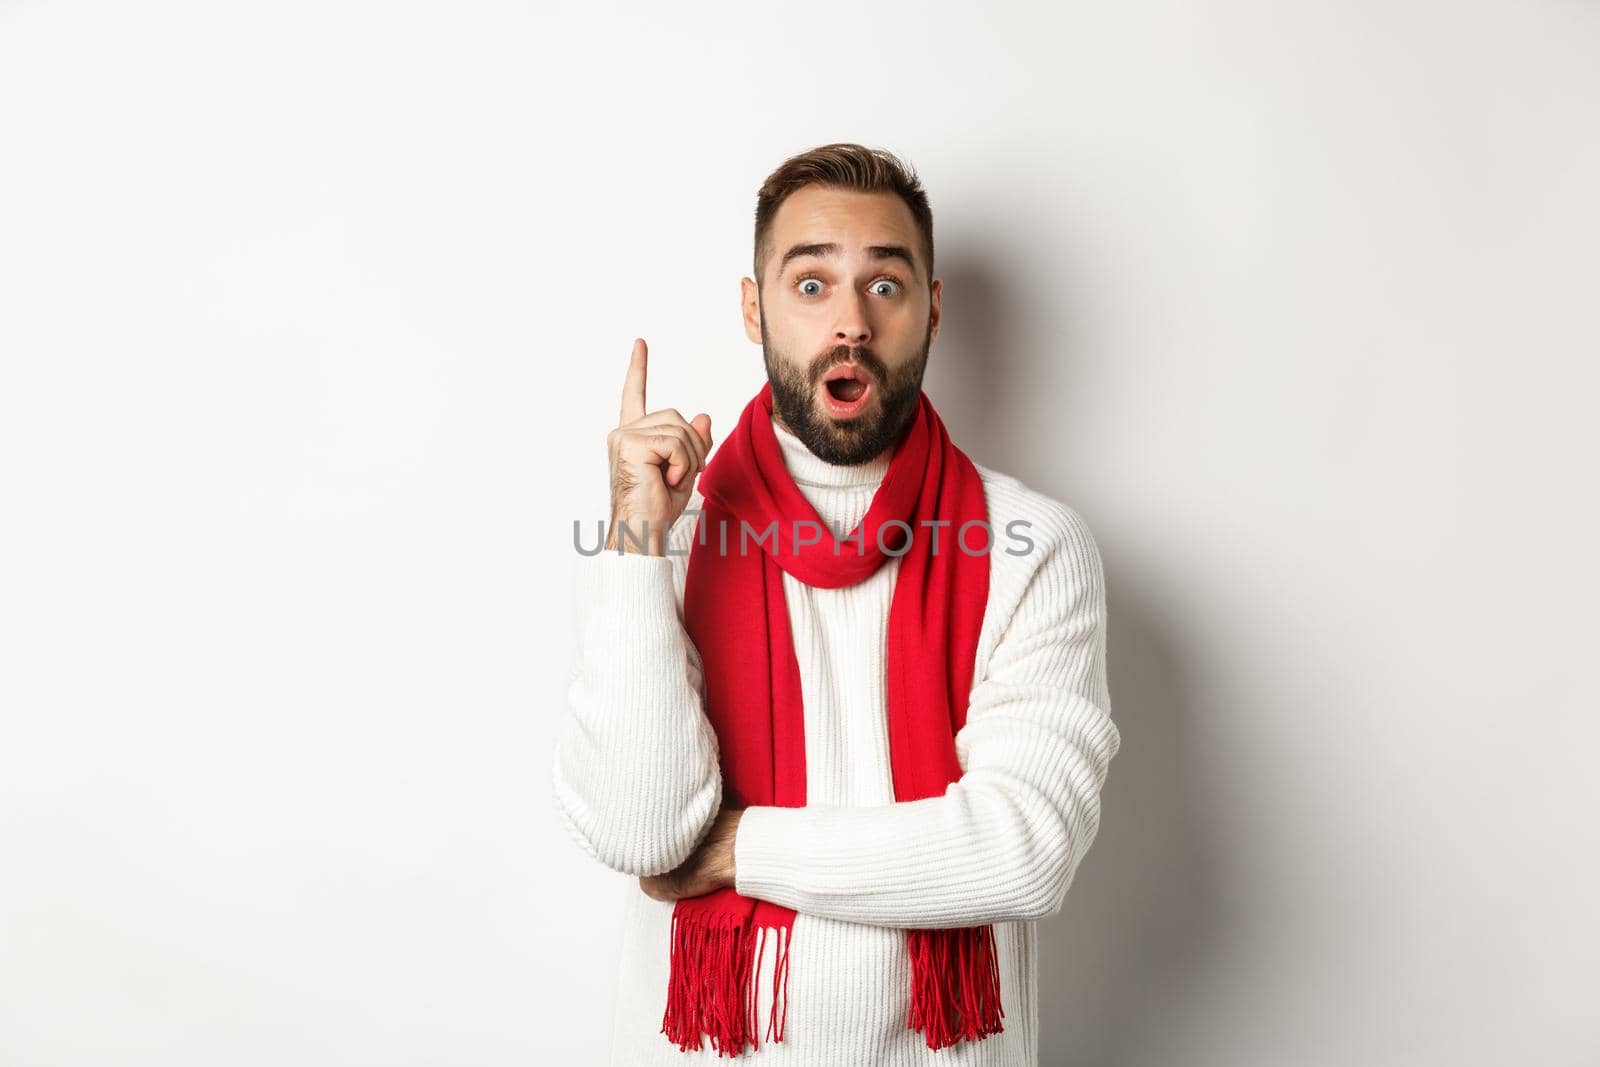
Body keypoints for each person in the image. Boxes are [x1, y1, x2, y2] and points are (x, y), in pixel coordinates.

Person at [552, 142, 1121, 1065]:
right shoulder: (661, 537)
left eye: (885, 287)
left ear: (932, 310)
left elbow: (1024, 847)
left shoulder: (1032, 546)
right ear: (754, 309)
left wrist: (742, 849)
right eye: (810, 285)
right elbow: (642, 830)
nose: (849, 323)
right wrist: (635, 546)